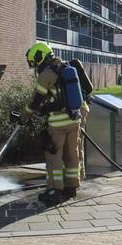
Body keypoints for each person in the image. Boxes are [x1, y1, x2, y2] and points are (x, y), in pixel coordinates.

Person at [19, 42, 89, 204]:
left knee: (54, 156)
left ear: (40, 57)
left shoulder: (47, 74)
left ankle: (55, 190)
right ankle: (71, 187)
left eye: (34, 63)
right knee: (72, 153)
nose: (35, 67)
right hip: (74, 120)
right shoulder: (66, 68)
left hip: (58, 123)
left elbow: (36, 99)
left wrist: (25, 116)